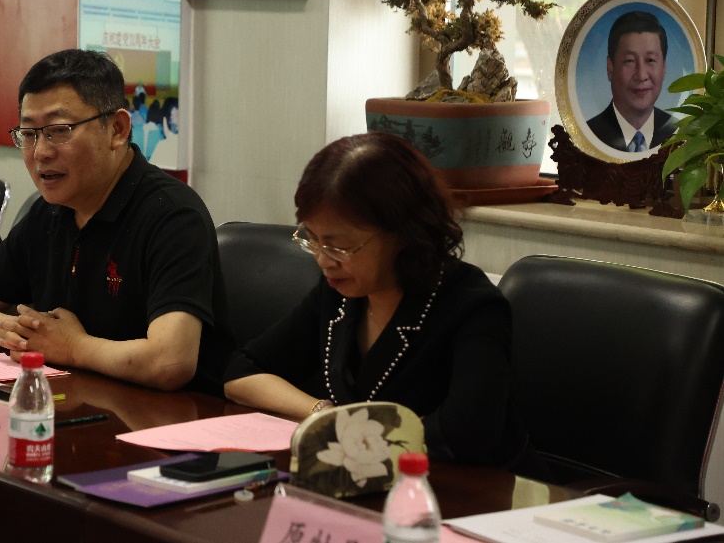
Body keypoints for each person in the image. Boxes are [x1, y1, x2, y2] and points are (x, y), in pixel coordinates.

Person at [223, 132, 537, 471]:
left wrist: (352, 430)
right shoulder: (340, 291)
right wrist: (323, 413)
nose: (323, 260)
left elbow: (467, 435)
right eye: (311, 239)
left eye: (339, 246)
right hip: (367, 478)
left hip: (472, 489)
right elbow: (242, 372)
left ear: (402, 232)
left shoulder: (470, 306)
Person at [0, 49, 230, 393]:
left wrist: (72, 347)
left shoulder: (173, 216)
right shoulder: (50, 210)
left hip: (164, 414)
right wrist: (25, 334)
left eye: (59, 130)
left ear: (117, 129)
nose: (41, 152)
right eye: (29, 134)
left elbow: (170, 362)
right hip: (71, 399)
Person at [585, 10, 676, 153]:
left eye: (650, 60)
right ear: (610, 68)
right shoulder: (587, 135)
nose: (641, 75)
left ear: (664, 68)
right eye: (629, 61)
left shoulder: (678, 134)